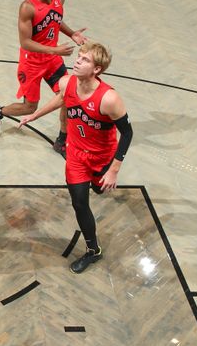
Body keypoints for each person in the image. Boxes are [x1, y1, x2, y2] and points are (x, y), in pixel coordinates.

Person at [18, 42, 133, 274]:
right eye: (79, 57)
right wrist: (34, 115)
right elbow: (61, 99)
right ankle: (93, 251)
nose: (78, 61)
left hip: (102, 157)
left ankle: (100, 181)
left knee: (100, 189)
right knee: (80, 202)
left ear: (97, 69)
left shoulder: (109, 98)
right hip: (76, 156)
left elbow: (128, 133)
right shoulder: (68, 82)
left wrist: (114, 169)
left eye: (85, 60)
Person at [0, 0, 87, 157]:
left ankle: (61, 140)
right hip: (31, 63)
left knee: (68, 95)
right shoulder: (27, 7)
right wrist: (54, 49)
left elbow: (55, 20)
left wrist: (72, 33)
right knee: (30, 107)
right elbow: (25, 42)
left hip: (52, 60)